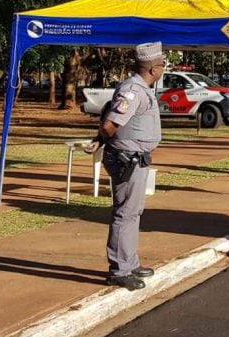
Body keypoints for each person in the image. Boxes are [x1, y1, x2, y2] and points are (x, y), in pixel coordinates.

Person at [85, 42, 164, 290]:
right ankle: (120, 269)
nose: (164, 69)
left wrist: (101, 140)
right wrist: (101, 139)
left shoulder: (141, 88)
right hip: (127, 158)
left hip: (135, 157)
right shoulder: (133, 91)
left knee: (133, 212)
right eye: (163, 65)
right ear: (153, 69)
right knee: (125, 213)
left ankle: (130, 262)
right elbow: (110, 124)